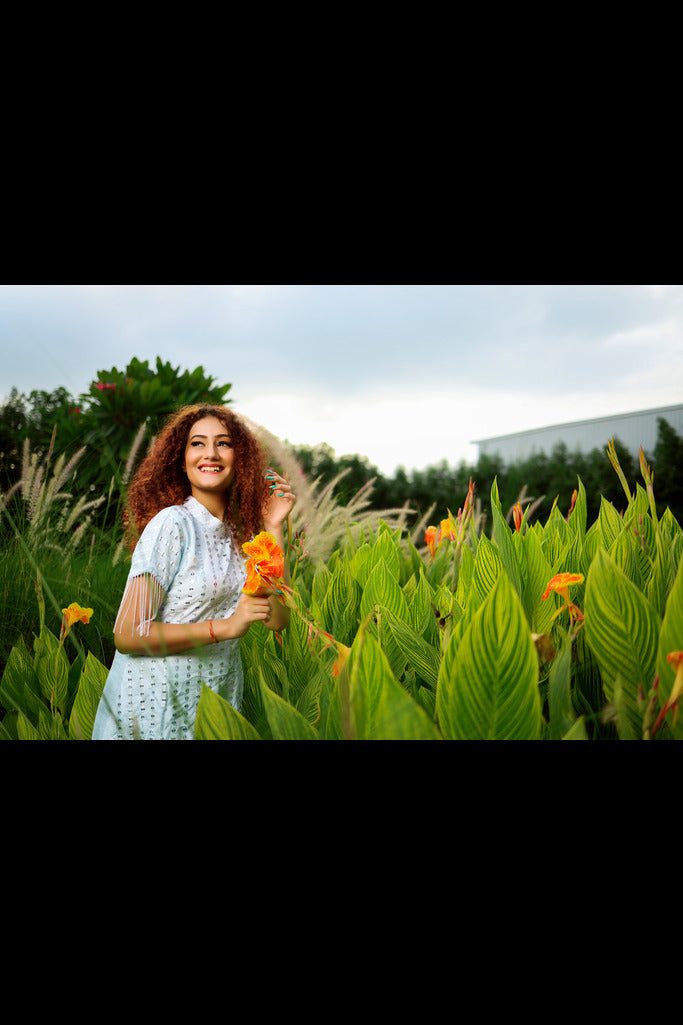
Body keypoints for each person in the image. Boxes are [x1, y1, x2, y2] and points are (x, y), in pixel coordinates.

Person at [91, 404, 296, 740]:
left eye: (224, 443)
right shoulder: (172, 525)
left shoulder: (240, 537)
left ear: (240, 457)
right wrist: (227, 626)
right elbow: (128, 634)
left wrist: (273, 526)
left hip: (213, 709)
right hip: (153, 713)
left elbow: (278, 619)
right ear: (181, 459)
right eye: (197, 443)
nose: (210, 453)